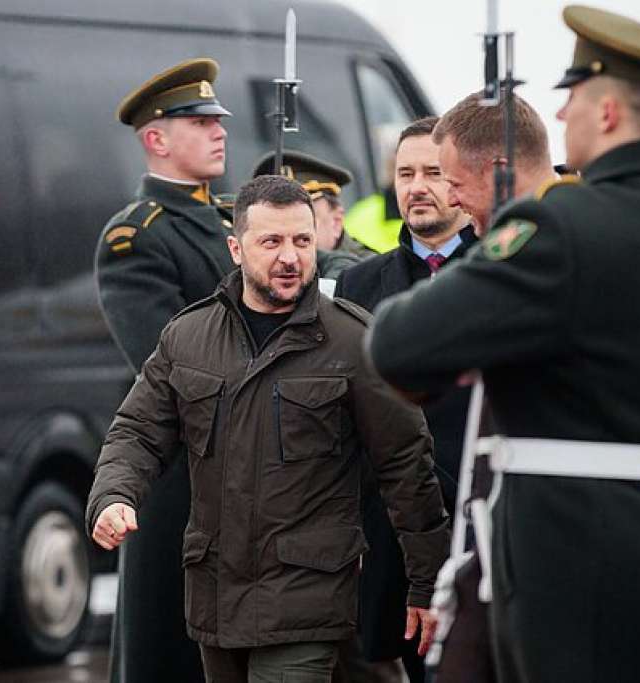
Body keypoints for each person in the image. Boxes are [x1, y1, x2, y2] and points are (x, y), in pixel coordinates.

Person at [370, 7, 640, 682]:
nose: (561, 115)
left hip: (576, 557)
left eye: (572, 97)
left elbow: (399, 343)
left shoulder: (559, 228)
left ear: (608, 112)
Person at [87, 174, 450, 683]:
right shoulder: (188, 337)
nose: (290, 257)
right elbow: (138, 430)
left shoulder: (351, 341)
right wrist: (113, 495)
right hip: (216, 603)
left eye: (302, 241)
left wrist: (425, 582)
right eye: (272, 242)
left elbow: (407, 468)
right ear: (236, 249)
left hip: (308, 601)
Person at [94, 57, 235, 683]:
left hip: (252, 475)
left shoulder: (233, 222)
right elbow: (170, 362)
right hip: (184, 474)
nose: (219, 131)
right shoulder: (137, 237)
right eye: (200, 122)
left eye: (217, 120)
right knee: (172, 651)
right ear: (156, 138)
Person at [335, 116, 475, 683]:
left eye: (433, 173)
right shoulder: (360, 284)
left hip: (474, 515)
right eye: (405, 173)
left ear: (460, 179)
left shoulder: (501, 272)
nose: (416, 187)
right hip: (392, 529)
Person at [433, 92, 555, 235]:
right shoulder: (573, 215)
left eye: (456, 185)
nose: (451, 201)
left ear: (501, 176)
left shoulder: (548, 239)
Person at [251, 150, 364, 282]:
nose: (288, 254)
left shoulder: (374, 274)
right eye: (273, 227)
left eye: (303, 224)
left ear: (336, 223)